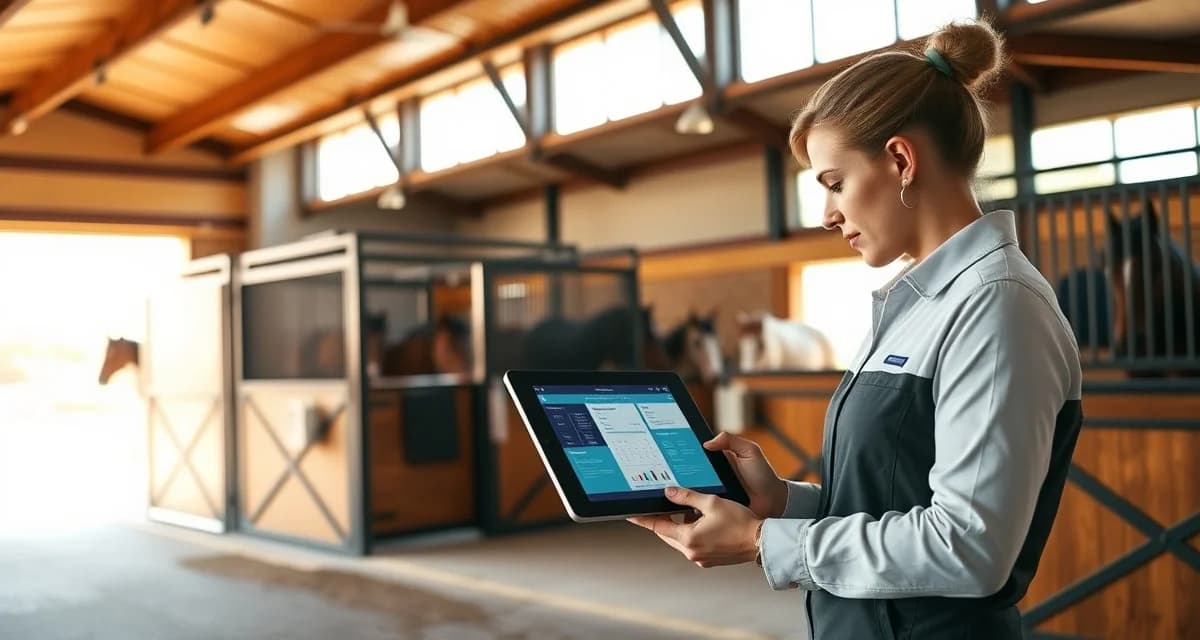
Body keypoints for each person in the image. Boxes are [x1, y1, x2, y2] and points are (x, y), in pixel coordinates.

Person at [628, 19, 1083, 640]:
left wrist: (766, 541)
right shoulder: (913, 303)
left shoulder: (997, 306)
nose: (826, 214)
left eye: (834, 183)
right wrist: (784, 501)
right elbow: (892, 500)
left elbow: (969, 548)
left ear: (900, 160)